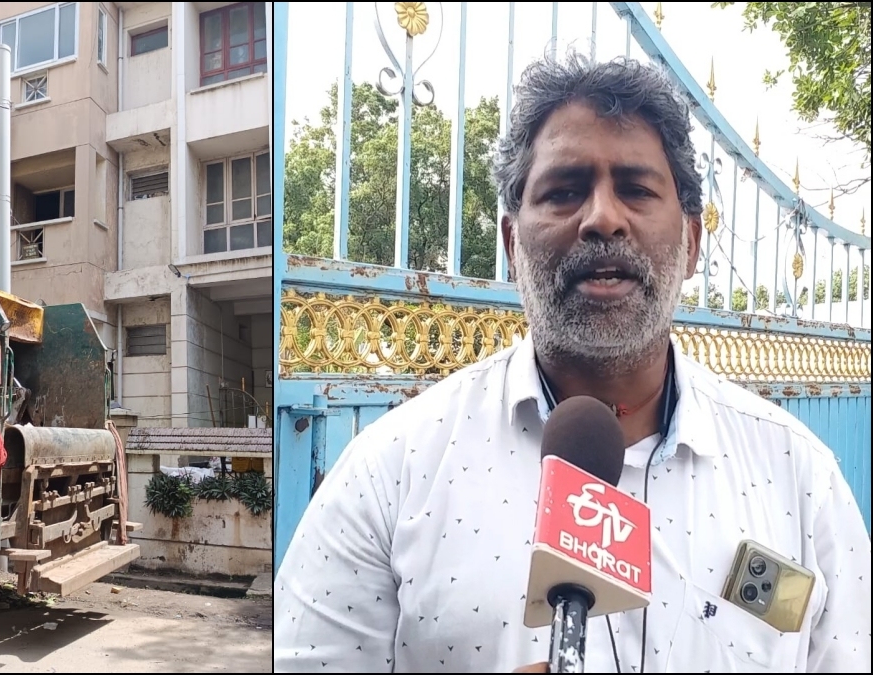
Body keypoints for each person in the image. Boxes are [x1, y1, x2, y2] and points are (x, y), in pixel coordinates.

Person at [272, 52, 871, 673]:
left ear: (692, 243)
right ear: (511, 245)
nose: (603, 217)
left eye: (636, 189)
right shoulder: (389, 476)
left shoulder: (801, 479)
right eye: (564, 191)